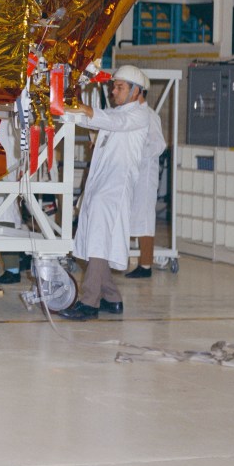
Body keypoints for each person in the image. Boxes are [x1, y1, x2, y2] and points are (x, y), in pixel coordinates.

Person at [60, 64, 155, 321]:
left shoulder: (139, 115)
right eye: (114, 86)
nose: (114, 91)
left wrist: (86, 109)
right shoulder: (119, 111)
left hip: (115, 188)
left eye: (120, 87)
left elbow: (112, 121)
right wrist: (62, 107)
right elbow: (95, 118)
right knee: (96, 240)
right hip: (101, 186)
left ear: (136, 91)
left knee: (99, 242)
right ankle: (112, 298)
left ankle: (89, 302)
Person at [126, 90, 167, 279]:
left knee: (144, 220)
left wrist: (137, 153)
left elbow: (159, 145)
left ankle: (146, 265)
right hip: (130, 174)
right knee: (128, 217)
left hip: (145, 175)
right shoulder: (129, 113)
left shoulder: (150, 116)